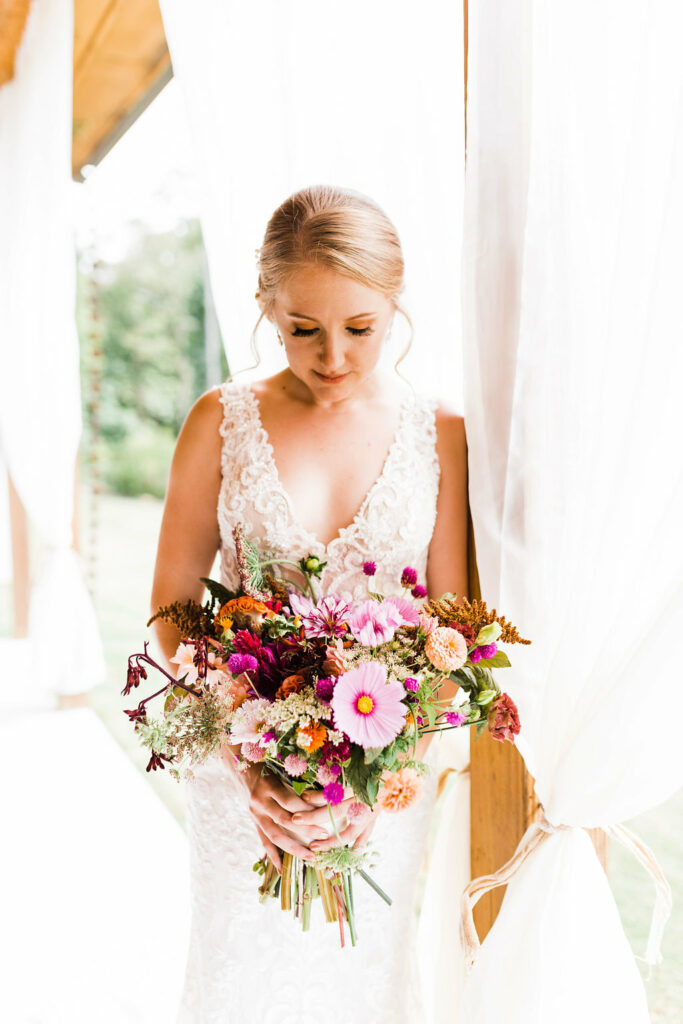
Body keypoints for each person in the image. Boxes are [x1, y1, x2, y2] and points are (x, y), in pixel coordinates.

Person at [150, 184, 469, 1023]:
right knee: (239, 977)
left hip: (383, 794)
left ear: (395, 307)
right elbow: (171, 612)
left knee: (362, 978)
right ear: (264, 307)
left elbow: (451, 629)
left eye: (360, 328)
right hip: (238, 780)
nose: (332, 355)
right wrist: (250, 759)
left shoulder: (439, 433)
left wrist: (377, 776)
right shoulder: (219, 420)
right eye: (302, 329)